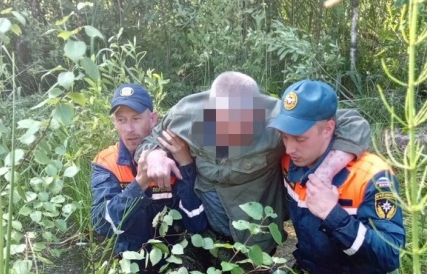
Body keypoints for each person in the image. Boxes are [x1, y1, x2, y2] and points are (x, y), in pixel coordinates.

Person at [138, 72, 371, 252]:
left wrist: (325, 173)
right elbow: (151, 137)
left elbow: (353, 122)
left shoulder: (276, 118)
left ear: (255, 111)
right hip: (204, 213)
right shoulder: (186, 116)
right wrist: (154, 153)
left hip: (256, 219)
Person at [267, 79, 405, 274]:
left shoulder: (372, 175)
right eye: (284, 137)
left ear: (329, 129)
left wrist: (333, 215)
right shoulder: (289, 162)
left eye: (299, 139)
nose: (289, 149)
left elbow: (390, 255)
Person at [91, 84, 208, 253]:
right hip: (131, 258)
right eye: (121, 120)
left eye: (136, 118)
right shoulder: (106, 162)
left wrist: (186, 165)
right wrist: (140, 183)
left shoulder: (176, 155)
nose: (129, 129)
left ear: (153, 119)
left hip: (174, 255)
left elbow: (196, 224)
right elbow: (103, 225)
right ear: (114, 122)